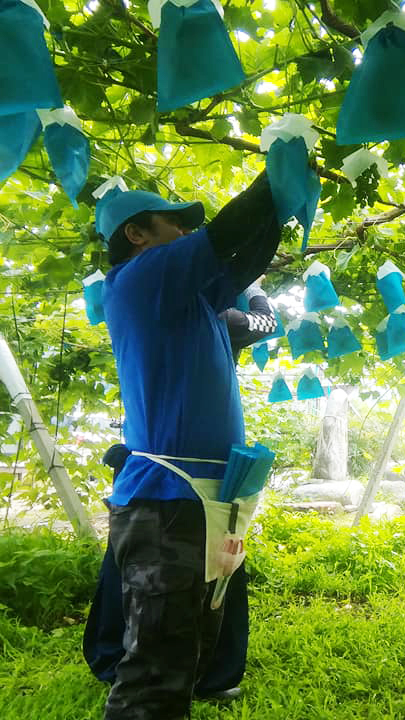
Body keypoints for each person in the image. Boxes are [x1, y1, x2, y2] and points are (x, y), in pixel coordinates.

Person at [95, 172, 282, 720]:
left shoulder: (189, 298)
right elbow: (227, 234)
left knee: (189, 649)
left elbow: (243, 263)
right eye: (174, 223)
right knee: (154, 673)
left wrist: (282, 208)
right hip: (167, 503)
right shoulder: (141, 279)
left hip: (201, 501)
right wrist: (276, 172)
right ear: (137, 234)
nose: (184, 232)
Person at [83, 284, 277, 699]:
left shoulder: (155, 310)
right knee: (204, 572)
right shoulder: (209, 318)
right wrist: (256, 290)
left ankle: (119, 661)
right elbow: (268, 322)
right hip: (180, 479)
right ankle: (193, 675)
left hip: (150, 468)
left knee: (139, 567)